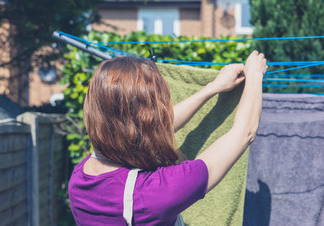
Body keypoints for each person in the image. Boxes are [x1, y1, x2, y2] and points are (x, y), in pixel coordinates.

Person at [68, 50, 267, 225]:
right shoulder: (153, 193)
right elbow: (244, 132)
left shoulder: (79, 177)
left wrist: (212, 88)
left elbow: (150, 131)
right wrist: (255, 74)